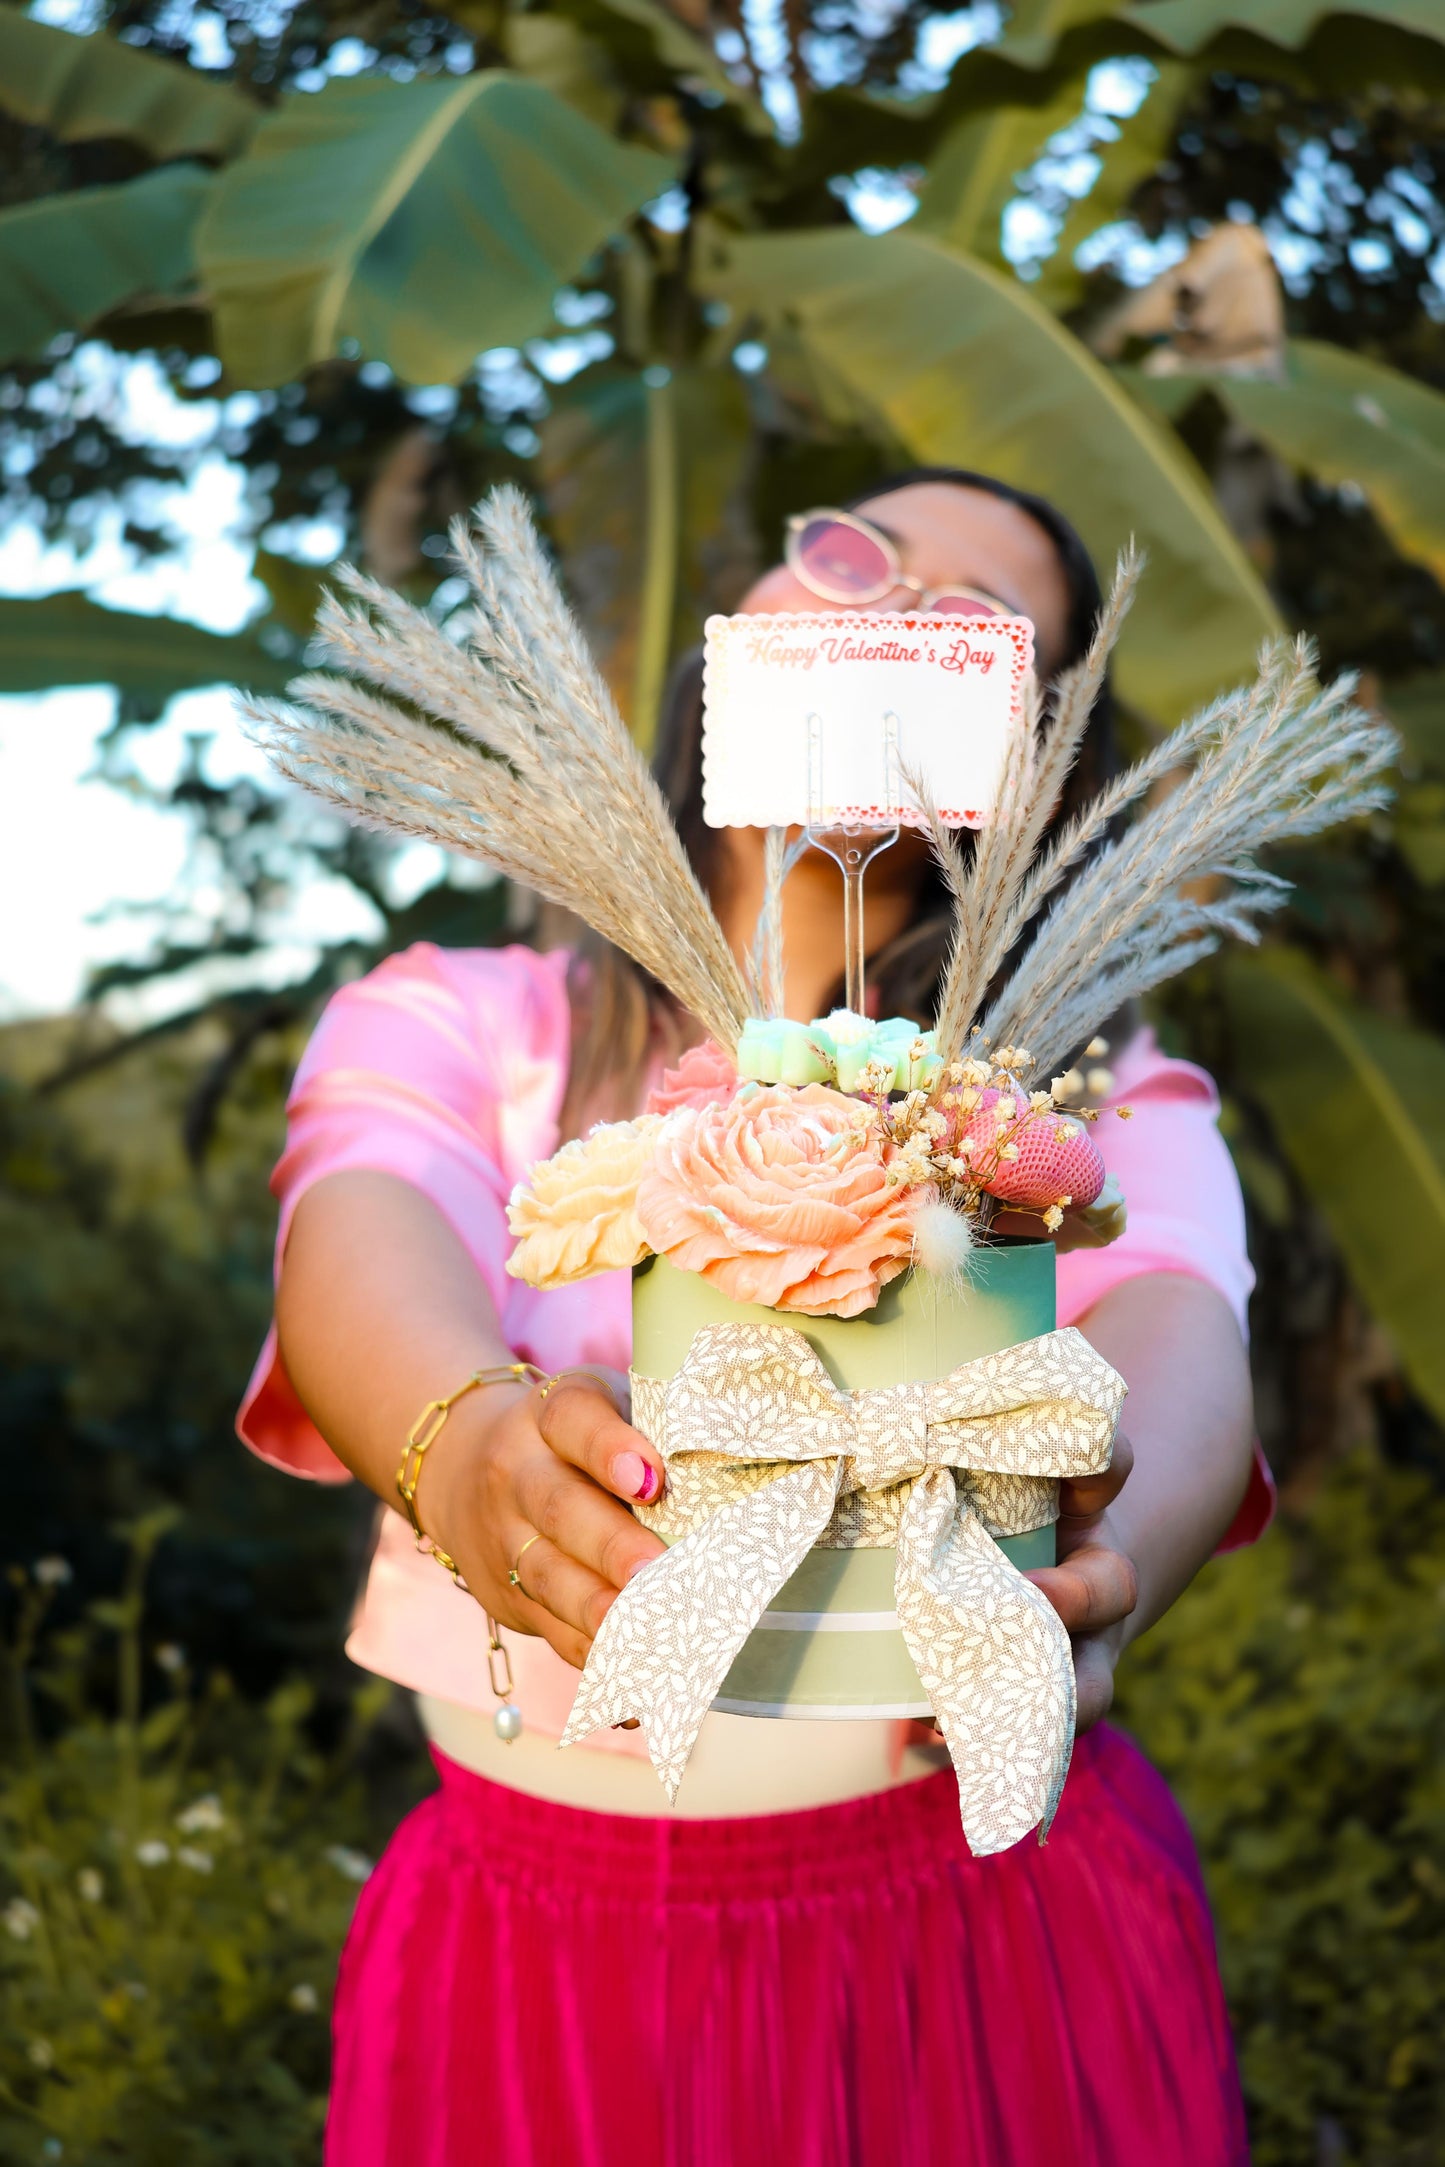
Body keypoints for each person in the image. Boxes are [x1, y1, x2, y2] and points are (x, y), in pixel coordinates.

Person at [239, 470, 1268, 2167]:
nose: (894, 607)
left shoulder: (1093, 1099)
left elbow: (1174, 1322)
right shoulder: (464, 1022)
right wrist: (465, 1440)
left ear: (1035, 770)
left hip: (974, 1944)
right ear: (737, 637)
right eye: (854, 554)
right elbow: (364, 1215)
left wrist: (1112, 1559)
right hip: (532, 1961)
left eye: (974, 618)